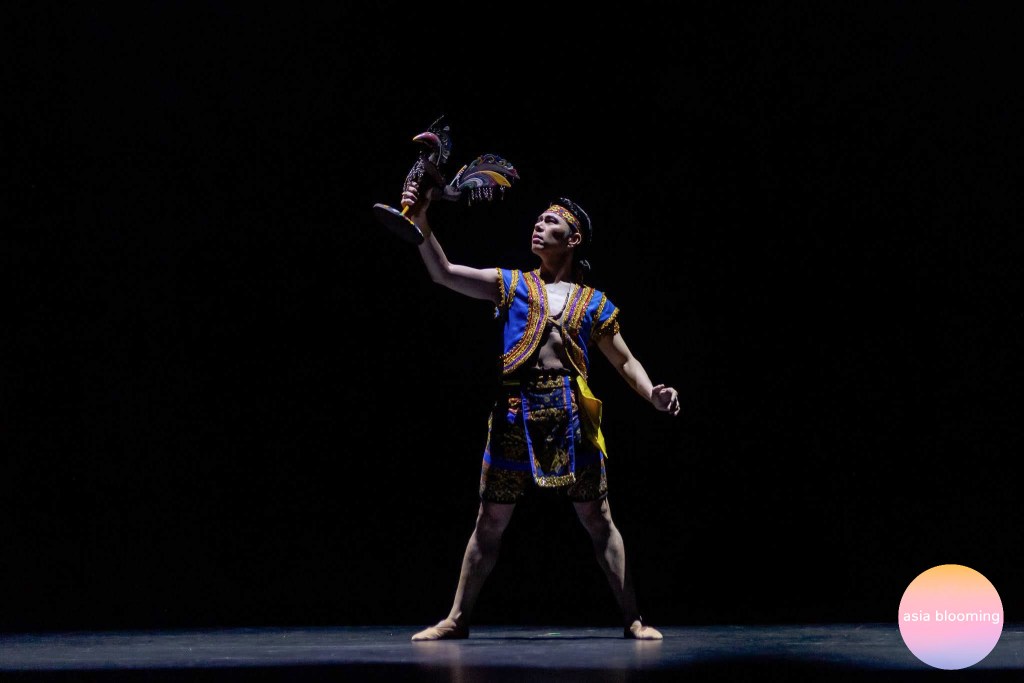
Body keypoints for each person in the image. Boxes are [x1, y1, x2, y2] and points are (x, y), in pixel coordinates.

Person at [400, 179, 680, 641]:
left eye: (550, 222)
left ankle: (633, 619)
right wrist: (422, 220)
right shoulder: (511, 284)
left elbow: (625, 361)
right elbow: (444, 272)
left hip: (571, 416)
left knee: (599, 519)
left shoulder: (593, 302)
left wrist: (652, 393)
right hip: (514, 412)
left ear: (573, 239)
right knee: (489, 520)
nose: (539, 225)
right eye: (538, 219)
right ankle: (456, 618)